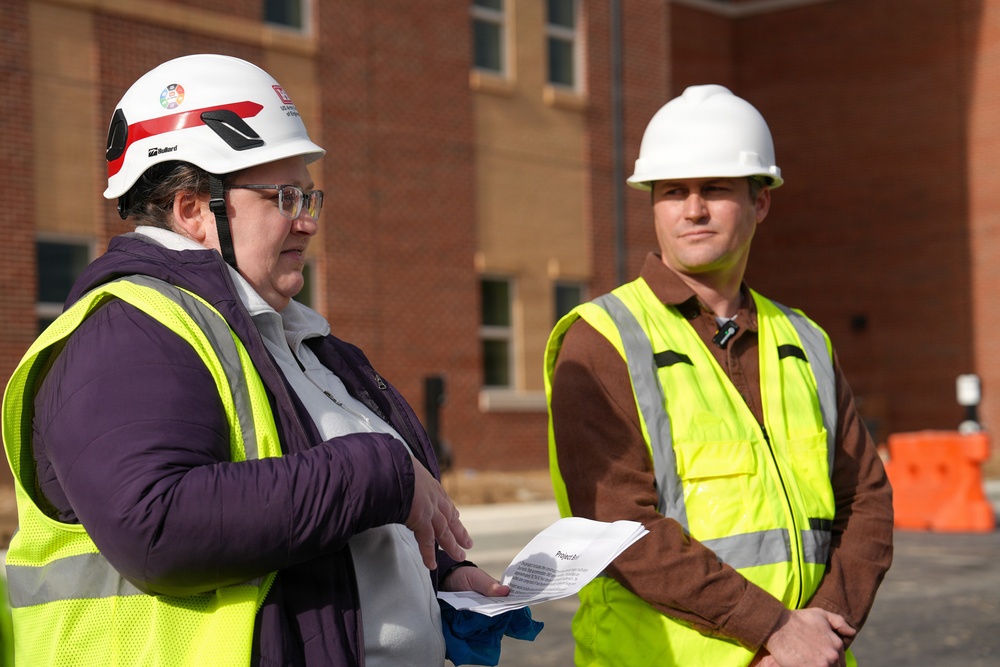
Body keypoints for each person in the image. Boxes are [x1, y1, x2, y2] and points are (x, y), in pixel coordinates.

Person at [1, 53, 510, 666]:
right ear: (193, 210)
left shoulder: (296, 339)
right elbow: (156, 526)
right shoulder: (128, 333)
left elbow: (327, 516)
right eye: (284, 196)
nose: (307, 222)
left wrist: (442, 579)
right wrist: (381, 474)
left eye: (309, 196)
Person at [544, 84, 894, 667]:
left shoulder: (804, 339)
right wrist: (774, 631)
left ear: (761, 202)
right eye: (673, 191)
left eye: (715, 189)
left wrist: (822, 633)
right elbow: (620, 526)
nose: (693, 209)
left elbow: (866, 501)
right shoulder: (602, 338)